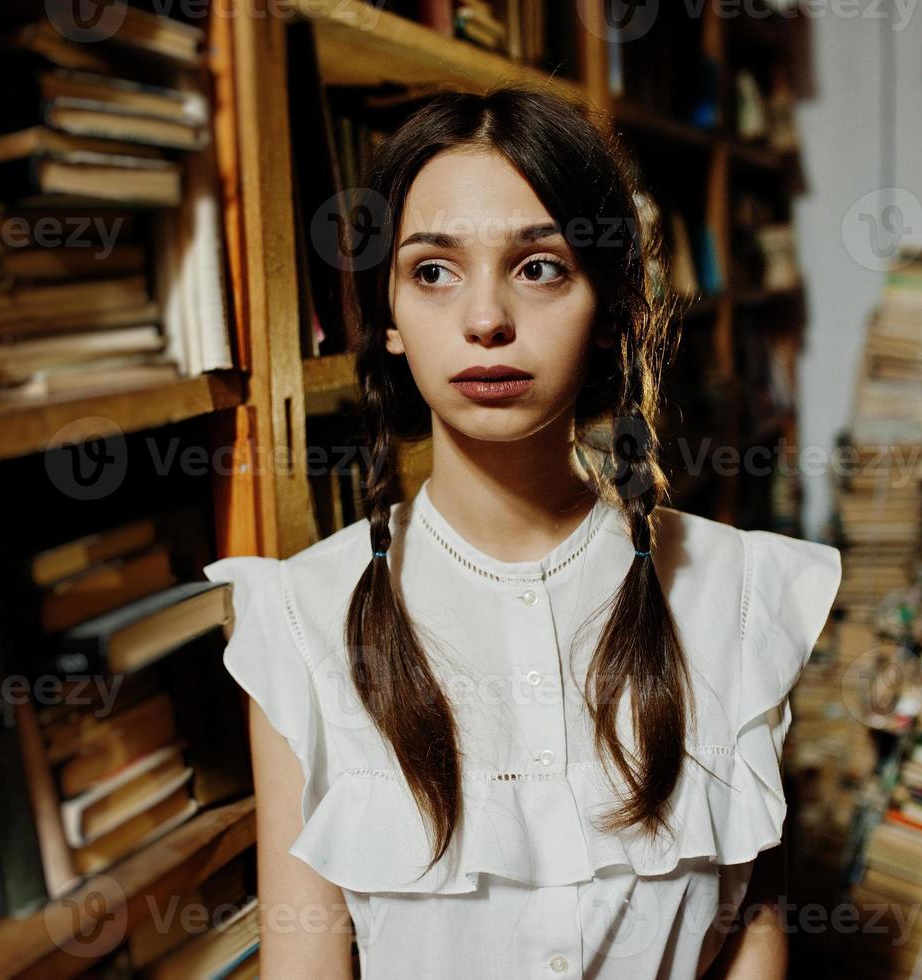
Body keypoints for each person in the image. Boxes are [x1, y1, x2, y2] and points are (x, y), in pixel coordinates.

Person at [203, 85, 842, 979]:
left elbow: (752, 940)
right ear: (386, 317)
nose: (485, 320)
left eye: (538, 266)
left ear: (611, 304)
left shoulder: (739, 593)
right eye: (433, 270)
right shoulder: (301, 618)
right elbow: (303, 963)